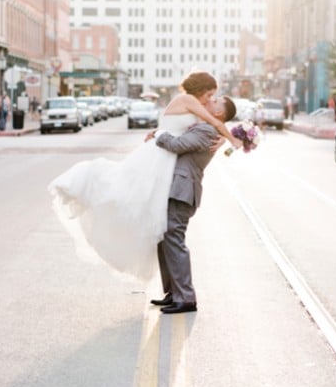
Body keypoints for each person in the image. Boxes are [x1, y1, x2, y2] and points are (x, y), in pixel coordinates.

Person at [48, 72, 240, 280]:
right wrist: (232, 140)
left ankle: (175, 292)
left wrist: (224, 138)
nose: (209, 99)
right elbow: (215, 122)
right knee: (129, 194)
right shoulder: (188, 100)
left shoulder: (193, 105)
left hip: (165, 154)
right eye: (209, 94)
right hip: (160, 153)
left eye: (213, 98)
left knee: (151, 212)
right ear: (201, 89)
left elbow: (211, 125)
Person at [151, 94, 237, 314]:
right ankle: (174, 292)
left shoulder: (207, 131)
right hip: (177, 189)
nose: (209, 101)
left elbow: (177, 144)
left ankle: (186, 297)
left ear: (218, 113)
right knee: (165, 239)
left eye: (215, 101)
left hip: (182, 191)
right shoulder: (207, 128)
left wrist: (159, 134)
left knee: (174, 240)